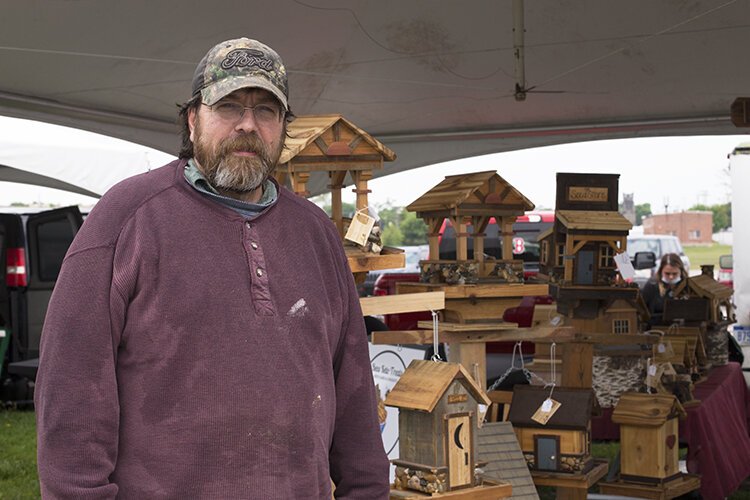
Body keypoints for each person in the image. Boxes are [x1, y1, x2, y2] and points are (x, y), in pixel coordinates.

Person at [35, 38, 390, 499]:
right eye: (228, 106)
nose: (248, 124)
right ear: (192, 118)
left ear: (283, 128)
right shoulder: (126, 218)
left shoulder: (316, 234)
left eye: (266, 110)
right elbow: (72, 390)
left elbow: (355, 396)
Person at [641, 252, 689, 328]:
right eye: (667, 273)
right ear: (661, 271)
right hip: (656, 328)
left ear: (681, 272)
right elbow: (643, 310)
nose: (671, 277)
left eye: (674, 274)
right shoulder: (652, 286)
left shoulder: (688, 286)